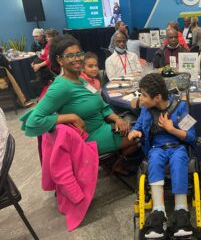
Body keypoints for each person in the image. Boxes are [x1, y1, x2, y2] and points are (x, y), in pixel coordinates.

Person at [20, 34, 138, 174]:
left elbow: (101, 105)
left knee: (139, 124)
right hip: (89, 137)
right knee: (143, 134)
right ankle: (117, 163)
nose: (76, 58)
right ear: (59, 60)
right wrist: (71, 117)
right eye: (70, 55)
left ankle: (113, 161)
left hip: (104, 126)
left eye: (78, 54)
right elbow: (33, 121)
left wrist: (117, 118)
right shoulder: (61, 86)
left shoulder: (80, 80)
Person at [128, 73, 196, 239]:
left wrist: (171, 129)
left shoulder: (180, 107)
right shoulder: (145, 110)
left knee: (179, 160)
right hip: (155, 147)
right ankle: (159, 211)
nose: (141, 99)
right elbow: (138, 124)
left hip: (177, 146)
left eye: (143, 95)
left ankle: (182, 209)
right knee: (155, 160)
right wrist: (134, 131)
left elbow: (192, 135)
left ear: (157, 97)